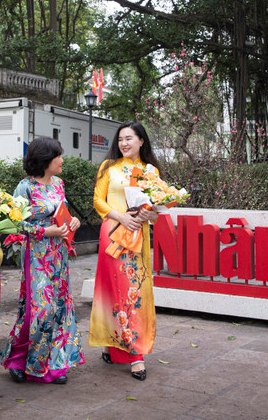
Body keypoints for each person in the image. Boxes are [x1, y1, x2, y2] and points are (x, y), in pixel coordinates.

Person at [0, 137, 84, 384]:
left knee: (59, 308)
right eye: (58, 156)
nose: (62, 160)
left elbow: (62, 213)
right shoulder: (25, 187)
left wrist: (73, 222)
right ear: (46, 160)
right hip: (36, 254)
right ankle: (19, 359)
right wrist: (45, 231)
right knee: (40, 309)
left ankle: (53, 364)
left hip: (59, 254)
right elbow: (15, 222)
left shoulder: (59, 183)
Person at [89, 121, 161, 381]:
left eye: (129, 138)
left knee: (135, 293)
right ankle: (132, 354)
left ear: (141, 141)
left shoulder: (150, 171)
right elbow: (98, 200)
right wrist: (121, 216)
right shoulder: (109, 167)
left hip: (138, 235)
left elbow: (155, 207)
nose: (124, 143)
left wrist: (150, 215)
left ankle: (124, 348)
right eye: (121, 139)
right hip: (113, 233)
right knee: (115, 290)